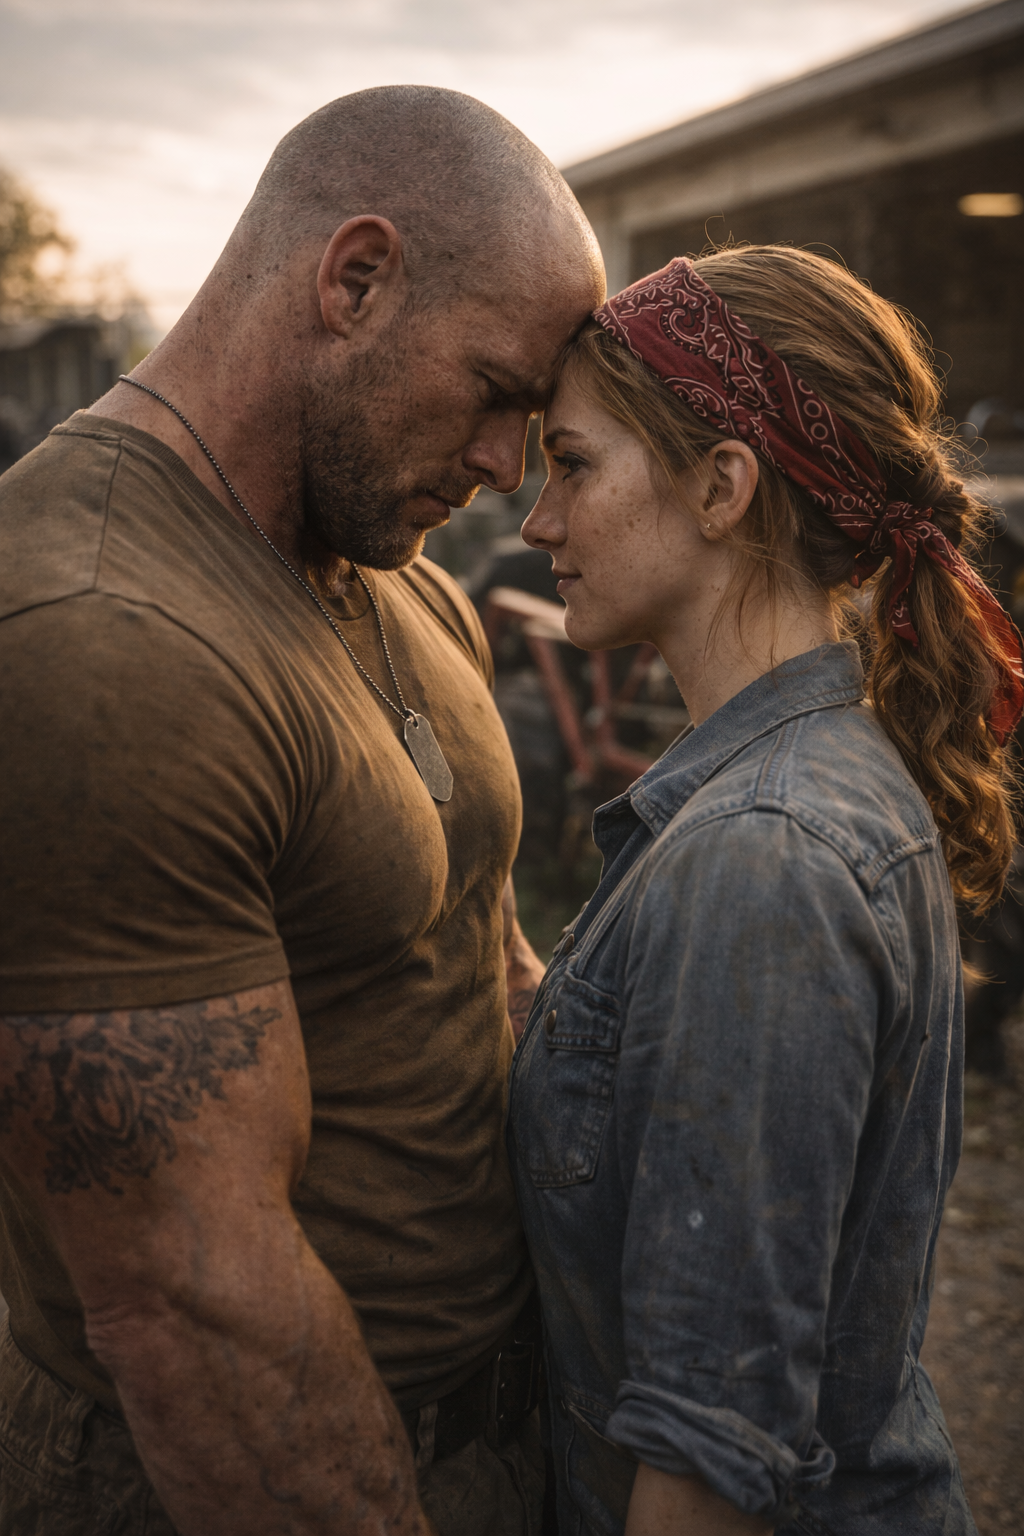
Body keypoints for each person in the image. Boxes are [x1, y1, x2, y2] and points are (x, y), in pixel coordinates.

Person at [0, 86, 604, 1535]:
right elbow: (192, 1307)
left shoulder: (400, 579)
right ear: (355, 280)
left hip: (489, 1437)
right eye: (497, 392)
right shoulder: (98, 627)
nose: (509, 471)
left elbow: (476, 961)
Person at [509, 247, 1023, 1535]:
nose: (535, 522)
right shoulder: (809, 785)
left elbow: (705, 1464)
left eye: (572, 465)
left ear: (723, 484)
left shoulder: (764, 854)